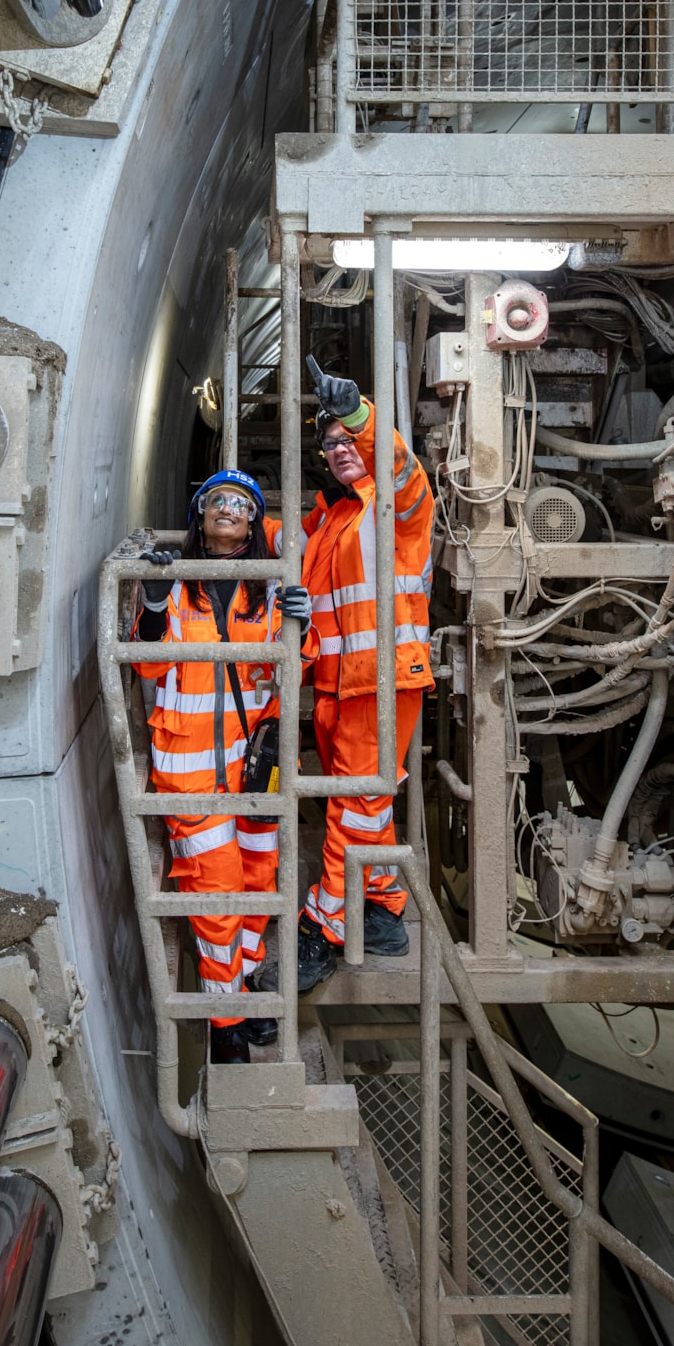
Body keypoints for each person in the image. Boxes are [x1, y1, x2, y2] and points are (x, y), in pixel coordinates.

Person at [134, 469, 312, 1063]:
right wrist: (155, 608)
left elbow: (290, 675)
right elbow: (148, 669)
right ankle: (225, 1019)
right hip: (191, 771)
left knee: (261, 880)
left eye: (242, 503)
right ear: (200, 514)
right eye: (217, 500)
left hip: (255, 766)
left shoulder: (266, 588)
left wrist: (299, 623)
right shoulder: (180, 585)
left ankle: (251, 985)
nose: (228, 509)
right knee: (219, 895)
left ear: (257, 520)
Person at [293, 357, 434, 992]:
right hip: (334, 685)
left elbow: (401, 470)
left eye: (349, 440)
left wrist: (358, 415)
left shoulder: (396, 508)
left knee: (353, 807)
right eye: (331, 442)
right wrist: (219, 518)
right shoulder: (329, 520)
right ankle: (381, 909)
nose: (342, 448)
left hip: (381, 683)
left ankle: (328, 926)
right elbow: (275, 541)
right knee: (365, 807)